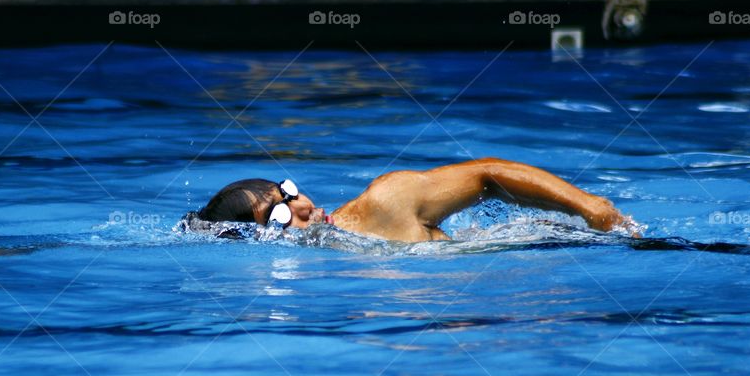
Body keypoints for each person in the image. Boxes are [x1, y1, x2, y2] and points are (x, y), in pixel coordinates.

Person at [194, 157, 631, 242]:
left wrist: (589, 205)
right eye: (280, 212)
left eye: (288, 191)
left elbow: (487, 173)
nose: (303, 204)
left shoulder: (385, 202)